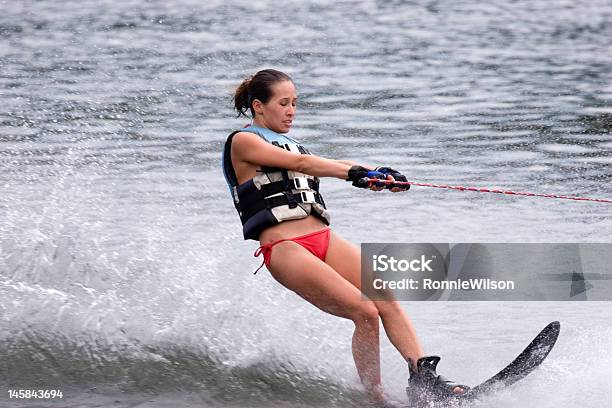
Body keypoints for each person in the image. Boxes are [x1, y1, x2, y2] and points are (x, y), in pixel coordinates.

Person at [222, 69, 468, 405]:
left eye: (295, 103)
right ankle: (375, 400)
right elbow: (303, 163)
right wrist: (352, 173)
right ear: (258, 106)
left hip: (323, 239)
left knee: (385, 298)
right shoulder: (244, 141)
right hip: (286, 249)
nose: (292, 110)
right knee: (364, 311)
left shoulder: (290, 142)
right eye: (283, 103)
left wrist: (373, 174)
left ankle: (424, 380)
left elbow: (329, 161)